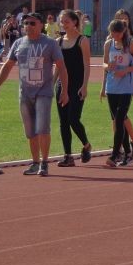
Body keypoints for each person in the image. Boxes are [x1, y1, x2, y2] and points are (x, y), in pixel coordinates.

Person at [0, 12, 68, 177]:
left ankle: (44, 162)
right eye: (26, 23)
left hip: (43, 92)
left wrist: (65, 91)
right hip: (25, 94)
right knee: (30, 131)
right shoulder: (19, 43)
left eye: (32, 23)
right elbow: (8, 65)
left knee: (42, 128)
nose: (28, 26)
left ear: (41, 25)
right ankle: (35, 162)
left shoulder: (50, 43)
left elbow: (61, 66)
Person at [53, 10, 93, 167]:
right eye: (61, 21)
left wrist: (85, 86)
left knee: (73, 119)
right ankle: (68, 156)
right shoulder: (58, 41)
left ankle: (86, 144)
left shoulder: (82, 41)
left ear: (75, 22)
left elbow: (86, 65)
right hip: (62, 85)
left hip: (77, 85)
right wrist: (52, 84)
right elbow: (58, 66)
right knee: (63, 121)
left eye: (66, 21)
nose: (63, 24)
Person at [101, 19, 133, 167]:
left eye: (117, 34)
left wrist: (126, 70)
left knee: (119, 120)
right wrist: (108, 66)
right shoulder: (108, 44)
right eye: (112, 33)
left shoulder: (131, 44)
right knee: (118, 120)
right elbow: (104, 63)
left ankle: (114, 155)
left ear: (123, 31)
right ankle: (128, 153)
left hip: (126, 88)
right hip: (112, 87)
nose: (115, 36)